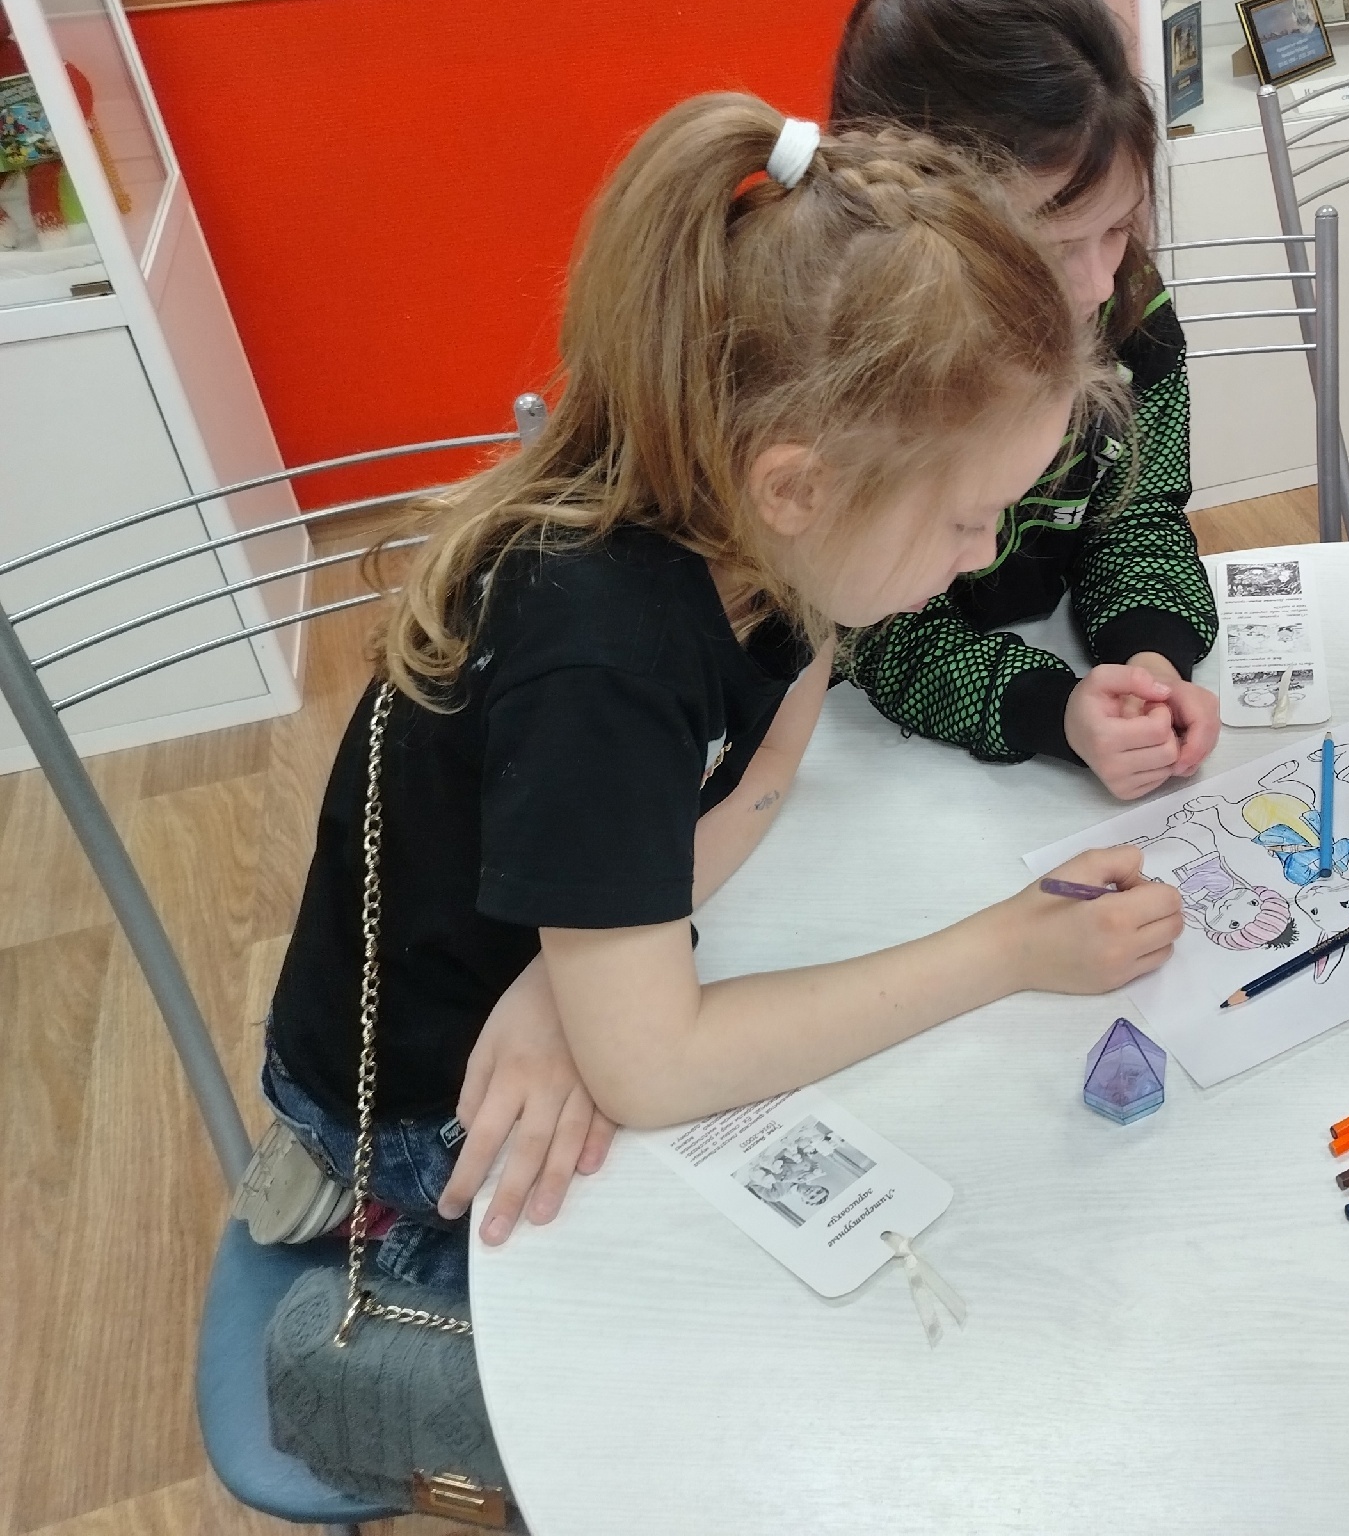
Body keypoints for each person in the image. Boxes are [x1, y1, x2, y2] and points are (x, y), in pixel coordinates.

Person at [257, 98, 1181, 1287]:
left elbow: (767, 774)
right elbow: (659, 1070)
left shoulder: (758, 531)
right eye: (966, 517)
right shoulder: (602, 652)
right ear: (796, 487)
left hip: (564, 980)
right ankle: (358, 1257)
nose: (985, 554)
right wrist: (1006, 949)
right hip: (425, 1103)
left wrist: (569, 977)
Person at [830, 0, 1221, 801]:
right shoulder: (854, 368)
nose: (1097, 286)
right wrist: (1051, 710)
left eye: (1118, 229)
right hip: (862, 758)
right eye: (1050, 248)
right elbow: (873, 629)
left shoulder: (1130, 314)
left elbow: (1139, 514)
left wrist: (1149, 665)